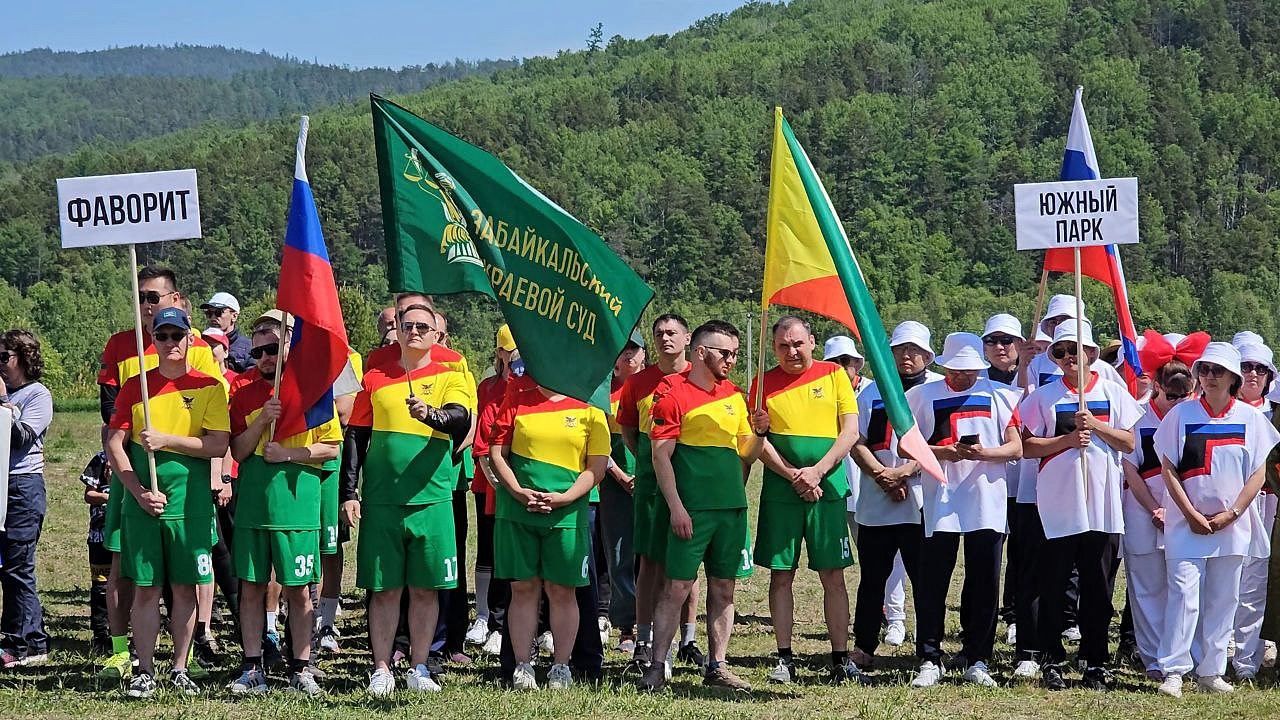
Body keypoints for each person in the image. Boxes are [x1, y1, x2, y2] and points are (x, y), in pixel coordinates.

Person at [96, 266, 222, 681]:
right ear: (153, 339)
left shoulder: (209, 385)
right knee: (147, 588)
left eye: (176, 335)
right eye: (161, 336)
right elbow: (114, 442)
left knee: (186, 588)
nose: (169, 342)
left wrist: (167, 440)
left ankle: (180, 667)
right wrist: (135, 488)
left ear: (189, 338)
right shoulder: (137, 387)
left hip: (190, 500)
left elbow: (218, 444)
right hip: (144, 500)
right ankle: (144, 669)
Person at [341, 302, 471, 697]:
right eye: (406, 325)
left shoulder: (452, 373)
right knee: (383, 590)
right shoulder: (376, 375)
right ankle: (381, 667)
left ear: (436, 335)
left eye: (422, 327)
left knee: (425, 589)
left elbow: (459, 418)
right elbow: (356, 436)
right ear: (396, 328)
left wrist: (429, 414)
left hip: (431, 499)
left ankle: (419, 665)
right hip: (382, 500)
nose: (413, 332)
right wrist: (349, 492)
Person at [638, 320, 770, 692]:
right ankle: (657, 666)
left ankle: (718, 665)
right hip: (692, 511)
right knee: (676, 587)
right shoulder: (672, 394)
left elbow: (748, 452)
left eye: (734, 353)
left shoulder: (734, 395)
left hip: (731, 509)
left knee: (724, 588)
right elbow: (661, 458)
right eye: (724, 353)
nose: (730, 360)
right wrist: (676, 507)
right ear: (700, 352)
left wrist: (760, 432)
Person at [1019, 321, 1141, 691]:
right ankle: (1051, 657)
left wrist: (1097, 427)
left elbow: (1129, 442)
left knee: (1098, 587)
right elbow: (1027, 447)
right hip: (1058, 503)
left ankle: (1094, 660)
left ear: (1091, 354)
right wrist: (1068, 439)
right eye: (1060, 352)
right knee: (1054, 584)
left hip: (1102, 504)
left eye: (1077, 350)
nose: (1069, 357)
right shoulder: (1043, 397)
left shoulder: (1112, 391)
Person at [1155, 342, 1280, 697]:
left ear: (1233, 378)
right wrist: (1191, 514)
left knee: (1224, 598)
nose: (1209, 377)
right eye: (1205, 370)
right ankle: (1175, 671)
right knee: (1183, 595)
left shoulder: (1251, 418)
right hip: (1186, 524)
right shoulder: (1180, 415)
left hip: (1233, 525)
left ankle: (1211, 670)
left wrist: (1234, 512)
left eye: (1217, 371)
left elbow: (1258, 472)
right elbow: (1168, 468)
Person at [226, 312, 341, 696]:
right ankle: (253, 665)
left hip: (298, 507)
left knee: (299, 590)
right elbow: (238, 451)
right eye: (258, 352)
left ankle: (302, 667)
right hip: (255, 509)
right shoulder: (242, 393)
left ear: (290, 345)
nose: (265, 359)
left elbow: (330, 449)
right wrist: (261, 421)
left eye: (273, 349)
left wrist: (289, 455)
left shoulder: (312, 389)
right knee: (253, 587)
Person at [906, 333, 1022, 688]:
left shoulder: (1001, 396)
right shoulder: (922, 395)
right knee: (932, 582)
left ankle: (978, 657)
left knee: (985, 581)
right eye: (957, 370)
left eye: (971, 370)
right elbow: (907, 445)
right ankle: (929, 656)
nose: (964, 376)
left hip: (986, 500)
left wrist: (982, 454)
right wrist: (944, 453)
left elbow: (1016, 447)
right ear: (944, 366)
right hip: (941, 498)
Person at [750, 317, 860, 684]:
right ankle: (784, 658)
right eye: (783, 346)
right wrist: (793, 475)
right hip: (783, 492)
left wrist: (817, 471)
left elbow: (850, 431)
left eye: (797, 343)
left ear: (812, 342)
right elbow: (756, 440)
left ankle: (841, 658)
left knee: (833, 574)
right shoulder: (761, 383)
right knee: (782, 575)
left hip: (827, 488)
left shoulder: (834, 375)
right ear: (773, 347)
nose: (791, 351)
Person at [487, 371, 610, 690]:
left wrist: (565, 498)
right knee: (523, 589)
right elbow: (497, 453)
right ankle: (523, 666)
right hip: (518, 512)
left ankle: (561, 667)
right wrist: (518, 492)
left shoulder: (590, 407)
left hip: (567, 515)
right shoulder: (515, 399)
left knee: (562, 590)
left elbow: (596, 466)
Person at [848, 321, 939, 670]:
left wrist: (904, 472)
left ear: (928, 355)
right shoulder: (871, 392)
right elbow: (857, 441)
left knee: (925, 580)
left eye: (915, 350)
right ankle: (865, 645)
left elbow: (936, 443)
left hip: (919, 500)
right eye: (900, 349)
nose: (907, 356)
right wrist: (882, 475)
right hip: (877, 498)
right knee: (873, 579)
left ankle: (928, 649)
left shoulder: (934, 390)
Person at [617, 314, 705, 675]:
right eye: (659, 334)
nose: (665, 338)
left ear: (687, 339)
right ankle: (643, 640)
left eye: (672, 333)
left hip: (693, 482)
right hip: (653, 484)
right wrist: (650, 464)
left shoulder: (700, 377)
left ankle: (688, 639)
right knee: (650, 562)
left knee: (687, 564)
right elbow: (629, 432)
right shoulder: (638, 382)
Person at [1122, 331, 1204, 678]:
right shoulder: (1137, 415)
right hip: (1143, 510)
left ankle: (1188, 658)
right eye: (1170, 395)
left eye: (1183, 395)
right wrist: (1153, 507)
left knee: (1184, 588)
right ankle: (1154, 659)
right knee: (1146, 588)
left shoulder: (1195, 416)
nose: (1176, 401)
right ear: (1155, 384)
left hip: (1184, 511)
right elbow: (1129, 467)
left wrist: (1178, 509)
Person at [0, 329, 53, 668]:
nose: (0, 364)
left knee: (18, 568)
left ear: (23, 357)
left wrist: (4, 403)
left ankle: (29, 645)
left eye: (4, 357)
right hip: (0, 483)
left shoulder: (37, 395)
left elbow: (19, 438)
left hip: (22, 487)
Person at [1231, 339, 1279, 679]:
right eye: (1246, 367)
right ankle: (1215, 654)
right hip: (1229, 506)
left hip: (1269, 503)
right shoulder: (1220, 410)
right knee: (1224, 580)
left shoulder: (1274, 414)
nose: (1252, 374)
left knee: (1256, 582)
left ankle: (1247, 660)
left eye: (1260, 369)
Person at [469, 327, 519, 654]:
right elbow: (483, 443)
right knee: (488, 548)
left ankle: (507, 621)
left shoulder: (534, 388)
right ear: (500, 352)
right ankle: (485, 616)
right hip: (490, 481)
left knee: (513, 554)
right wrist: (499, 481)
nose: (517, 357)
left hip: (520, 484)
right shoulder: (488, 388)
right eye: (511, 351)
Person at [981, 314, 1025, 639]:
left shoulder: (1034, 378)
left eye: (1007, 341)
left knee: (1021, 554)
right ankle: (983, 620)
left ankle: (1014, 615)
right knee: (989, 558)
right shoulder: (976, 380)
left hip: (1025, 481)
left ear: (1020, 345)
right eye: (992, 341)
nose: (999, 347)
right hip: (988, 481)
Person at [603, 333, 645, 652]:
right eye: (622, 350)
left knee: (650, 557)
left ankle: (653, 624)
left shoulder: (653, 389)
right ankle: (626, 627)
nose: (628, 355)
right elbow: (598, 446)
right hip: (615, 485)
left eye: (634, 349)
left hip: (650, 482)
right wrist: (621, 477)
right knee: (619, 556)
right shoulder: (601, 393)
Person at [81, 452, 113, 655]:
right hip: (99, 535)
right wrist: (108, 496)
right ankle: (101, 636)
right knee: (101, 586)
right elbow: (89, 495)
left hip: (127, 534)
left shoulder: (138, 458)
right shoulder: (101, 460)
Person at [201, 292, 252, 372]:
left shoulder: (249, 347)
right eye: (209, 313)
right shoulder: (201, 342)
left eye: (219, 312)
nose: (213, 317)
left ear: (234, 316)